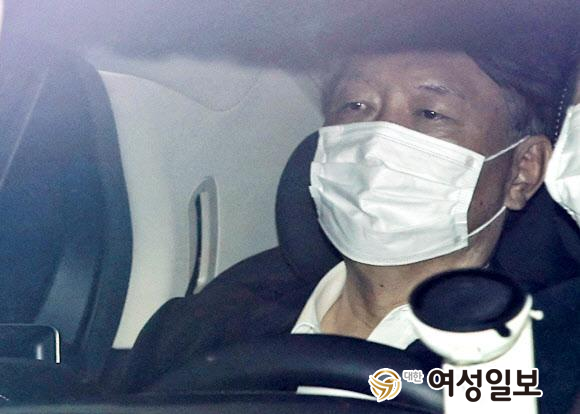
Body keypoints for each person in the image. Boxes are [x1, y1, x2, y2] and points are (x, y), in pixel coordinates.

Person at [121, 36, 580, 414]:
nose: (376, 142)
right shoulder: (211, 320)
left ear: (522, 171)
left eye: (430, 114)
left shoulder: (551, 354)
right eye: (355, 106)